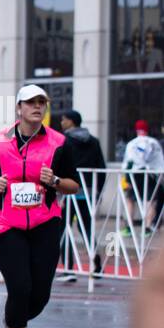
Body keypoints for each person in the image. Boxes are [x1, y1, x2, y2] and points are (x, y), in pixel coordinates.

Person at [0, 85, 81, 328]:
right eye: (30, 102)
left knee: (39, 294)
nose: (36, 107)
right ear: (19, 108)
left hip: (45, 224)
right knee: (19, 287)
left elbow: (74, 185)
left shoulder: (59, 143)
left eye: (41, 102)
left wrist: (56, 180)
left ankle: (13, 322)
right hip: (5, 224)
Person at [57, 110, 107, 278]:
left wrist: (60, 193)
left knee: (63, 228)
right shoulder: (93, 141)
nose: (61, 122)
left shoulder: (64, 141)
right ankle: (96, 264)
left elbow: (62, 167)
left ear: (71, 121)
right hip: (88, 191)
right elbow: (101, 167)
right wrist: (98, 191)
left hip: (69, 190)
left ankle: (69, 269)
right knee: (86, 228)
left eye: (64, 119)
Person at [123, 119, 164, 230]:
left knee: (130, 200)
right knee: (150, 201)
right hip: (152, 175)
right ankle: (148, 226)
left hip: (135, 174)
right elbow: (159, 161)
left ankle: (129, 226)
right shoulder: (154, 143)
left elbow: (130, 161)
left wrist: (127, 178)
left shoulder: (132, 143)